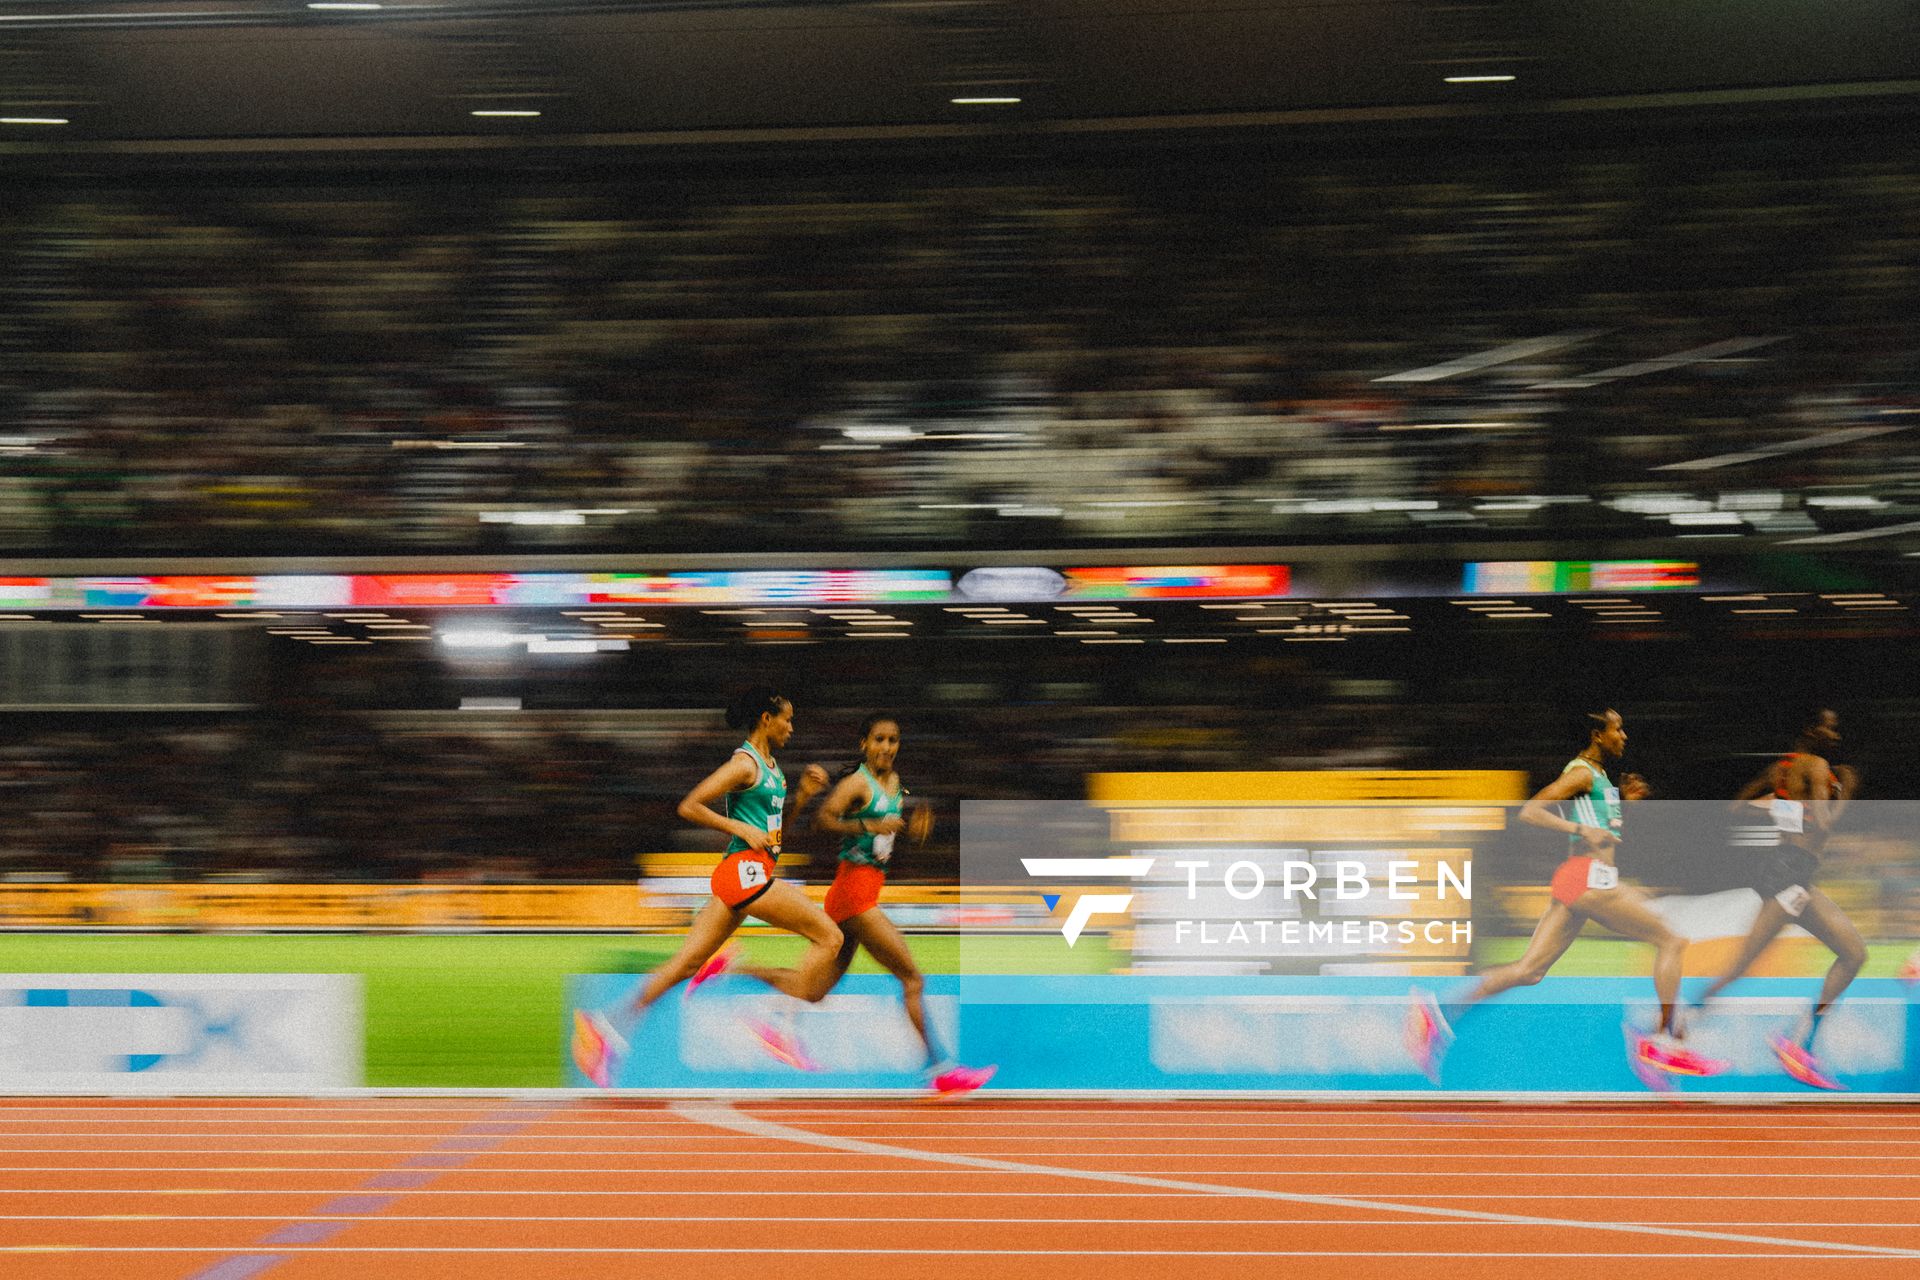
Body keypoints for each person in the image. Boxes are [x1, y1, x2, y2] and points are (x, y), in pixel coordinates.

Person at [1406, 709, 1725, 1088]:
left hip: (1582, 880)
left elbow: (1602, 829)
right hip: (1588, 879)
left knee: (1529, 971)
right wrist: (1577, 828)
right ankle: (1664, 1042)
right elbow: (1532, 810)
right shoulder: (1581, 772)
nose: (1624, 735)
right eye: (1617, 729)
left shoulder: (1602, 779)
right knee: (1671, 940)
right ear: (1596, 734)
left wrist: (1625, 802)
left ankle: (1438, 1011)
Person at [572, 686, 837, 1087]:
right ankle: (776, 1024)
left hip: (749, 873)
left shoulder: (774, 770)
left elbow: (776, 835)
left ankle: (603, 1025)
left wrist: (802, 796)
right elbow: (690, 804)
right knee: (830, 937)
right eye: (787, 719)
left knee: (685, 965)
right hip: (743, 873)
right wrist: (738, 827)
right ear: (766, 719)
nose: (792, 728)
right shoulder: (744, 764)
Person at [810, 715, 996, 1096]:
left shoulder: (894, 784)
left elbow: (884, 833)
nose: (886, 746)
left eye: (893, 740)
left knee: (814, 990)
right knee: (912, 979)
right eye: (878, 739)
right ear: (864, 743)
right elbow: (823, 820)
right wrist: (867, 827)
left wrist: (908, 830)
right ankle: (941, 1069)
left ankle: (737, 971)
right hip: (854, 896)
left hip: (860, 894)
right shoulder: (856, 783)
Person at [1692, 708, 1863, 1090]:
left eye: (1836, 730)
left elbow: (1737, 806)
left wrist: (1782, 804)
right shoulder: (1818, 765)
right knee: (1740, 967)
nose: (1834, 736)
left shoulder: (1780, 769)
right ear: (1809, 729)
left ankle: (1798, 1042)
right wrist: (1847, 790)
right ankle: (1673, 1034)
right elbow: (1824, 823)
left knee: (1854, 953)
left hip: (1789, 871)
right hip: (1791, 875)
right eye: (1828, 728)